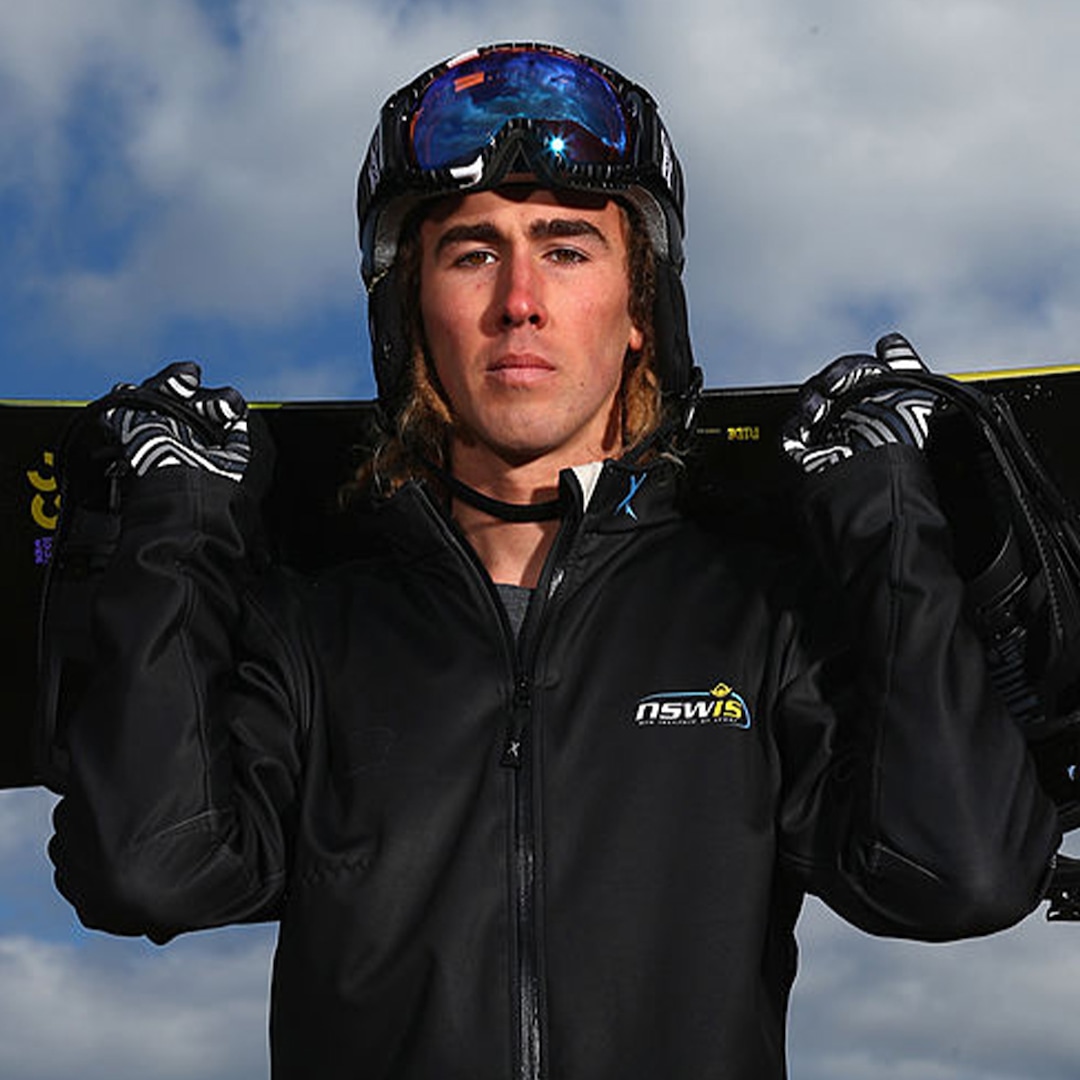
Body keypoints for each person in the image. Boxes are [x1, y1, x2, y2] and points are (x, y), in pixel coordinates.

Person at [38, 42, 1061, 1079]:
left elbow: (959, 872)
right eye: (472, 253)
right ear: (413, 314)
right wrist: (171, 524)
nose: (518, 299)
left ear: (637, 316)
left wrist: (889, 523)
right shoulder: (315, 638)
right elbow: (148, 873)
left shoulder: (754, 623)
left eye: (567, 250)